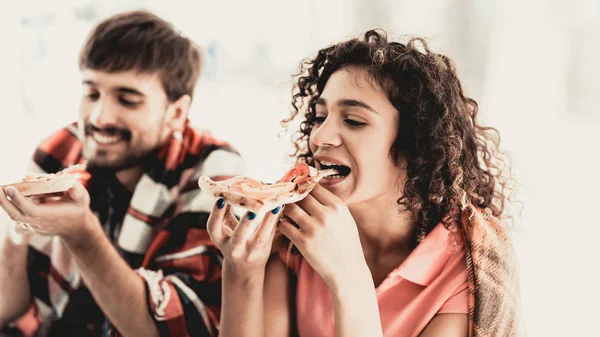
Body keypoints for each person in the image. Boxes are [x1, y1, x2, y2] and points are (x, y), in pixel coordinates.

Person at [206, 29, 521, 337]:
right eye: (318, 117)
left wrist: (350, 280)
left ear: (415, 146)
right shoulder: (297, 233)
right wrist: (242, 271)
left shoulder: (465, 272)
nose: (319, 137)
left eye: (354, 121)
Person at [0, 10, 246, 337]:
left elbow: (176, 331)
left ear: (176, 113)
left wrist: (82, 234)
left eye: (127, 100)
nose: (99, 117)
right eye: (91, 94)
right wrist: (17, 229)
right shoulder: (60, 150)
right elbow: (9, 302)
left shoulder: (215, 173)